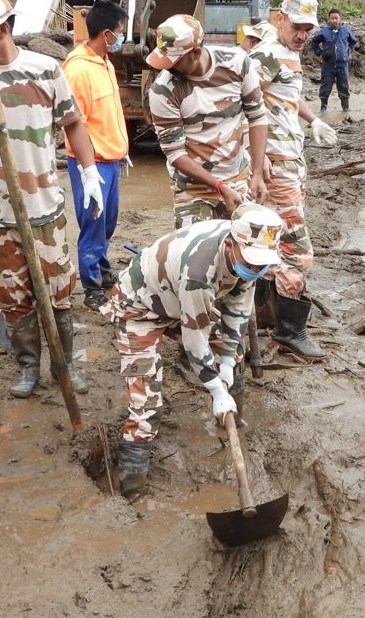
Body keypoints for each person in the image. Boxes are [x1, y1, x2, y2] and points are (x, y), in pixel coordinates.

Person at [0, 0, 101, 400]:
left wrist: (89, 172)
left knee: (59, 293)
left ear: (5, 28)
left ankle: (63, 364)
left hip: (43, 208)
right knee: (12, 297)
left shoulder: (45, 70)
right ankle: (27, 364)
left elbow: (73, 123)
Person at [102, 203, 284, 498]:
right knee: (146, 405)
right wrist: (216, 388)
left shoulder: (250, 260)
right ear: (230, 244)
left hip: (177, 300)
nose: (254, 270)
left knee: (234, 357)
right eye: (250, 263)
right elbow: (194, 339)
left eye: (260, 265)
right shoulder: (200, 270)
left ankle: (230, 420)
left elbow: (236, 314)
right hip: (139, 308)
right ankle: (131, 493)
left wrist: (225, 364)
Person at [250, 0, 336, 360]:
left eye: (307, 29)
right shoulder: (266, 53)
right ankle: (290, 330)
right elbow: (240, 102)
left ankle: (264, 315)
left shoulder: (288, 54)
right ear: (280, 18)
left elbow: (284, 97)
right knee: (297, 249)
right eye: (297, 27)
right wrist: (256, 158)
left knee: (268, 239)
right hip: (276, 164)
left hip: (290, 159)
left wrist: (312, 119)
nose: (302, 35)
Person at [146, 14, 269, 228]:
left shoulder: (237, 64)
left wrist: (257, 171)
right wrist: (219, 186)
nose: (166, 68)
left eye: (174, 61)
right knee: (197, 255)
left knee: (242, 249)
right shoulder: (162, 90)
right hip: (192, 188)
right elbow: (175, 152)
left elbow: (257, 116)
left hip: (237, 177)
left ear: (195, 52)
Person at [63, 0, 130, 311]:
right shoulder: (77, 70)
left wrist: (121, 147)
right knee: (93, 224)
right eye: (119, 33)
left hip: (110, 159)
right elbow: (75, 125)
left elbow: (108, 114)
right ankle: (91, 286)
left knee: (107, 221)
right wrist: (88, 170)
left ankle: (102, 270)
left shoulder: (104, 63)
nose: (121, 38)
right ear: (105, 34)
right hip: (91, 163)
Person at [309, 8, 357, 115]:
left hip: (342, 65)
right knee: (325, 86)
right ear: (329, 19)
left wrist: (348, 53)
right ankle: (323, 107)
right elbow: (314, 42)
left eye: (336, 18)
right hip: (328, 65)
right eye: (332, 18)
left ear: (340, 19)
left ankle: (345, 108)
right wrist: (319, 52)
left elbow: (353, 42)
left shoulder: (346, 31)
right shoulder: (324, 32)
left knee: (344, 86)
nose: (334, 20)